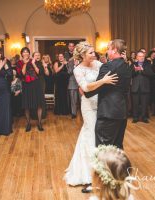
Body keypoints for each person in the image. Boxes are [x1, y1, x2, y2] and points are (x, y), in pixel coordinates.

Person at [64, 41, 118, 192]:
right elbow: (85, 87)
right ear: (82, 55)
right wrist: (103, 81)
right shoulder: (77, 69)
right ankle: (89, 174)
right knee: (91, 133)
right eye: (91, 53)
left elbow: (110, 70)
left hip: (101, 103)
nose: (94, 55)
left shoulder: (98, 65)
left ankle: (99, 169)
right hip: (88, 106)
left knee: (95, 134)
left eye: (94, 52)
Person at [85, 39, 132, 149]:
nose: (107, 51)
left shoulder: (107, 67)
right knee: (117, 145)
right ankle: (119, 166)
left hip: (108, 112)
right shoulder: (127, 66)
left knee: (103, 147)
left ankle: (106, 166)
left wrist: (86, 91)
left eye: (108, 49)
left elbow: (97, 87)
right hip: (122, 111)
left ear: (115, 50)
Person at [16, 48, 47, 132]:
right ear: (21, 53)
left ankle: (39, 123)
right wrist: (25, 64)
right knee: (27, 105)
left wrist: (33, 63)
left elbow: (38, 72)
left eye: (27, 52)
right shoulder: (19, 63)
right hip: (26, 85)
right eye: (24, 52)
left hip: (36, 84)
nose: (26, 53)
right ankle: (28, 123)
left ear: (29, 53)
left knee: (39, 104)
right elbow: (21, 74)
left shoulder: (33, 60)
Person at [131, 51, 154, 123]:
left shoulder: (147, 64)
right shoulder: (133, 64)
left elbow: (151, 74)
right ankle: (135, 117)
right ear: (137, 57)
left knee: (144, 104)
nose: (141, 57)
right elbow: (130, 74)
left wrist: (143, 70)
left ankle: (144, 117)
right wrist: (135, 70)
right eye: (140, 56)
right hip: (135, 87)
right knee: (135, 104)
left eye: (143, 56)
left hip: (145, 87)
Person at [65, 43, 80, 119]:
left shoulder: (82, 60)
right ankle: (74, 113)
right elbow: (69, 72)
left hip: (81, 83)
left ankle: (83, 113)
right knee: (73, 100)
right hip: (72, 82)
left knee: (83, 100)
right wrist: (75, 66)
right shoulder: (70, 61)